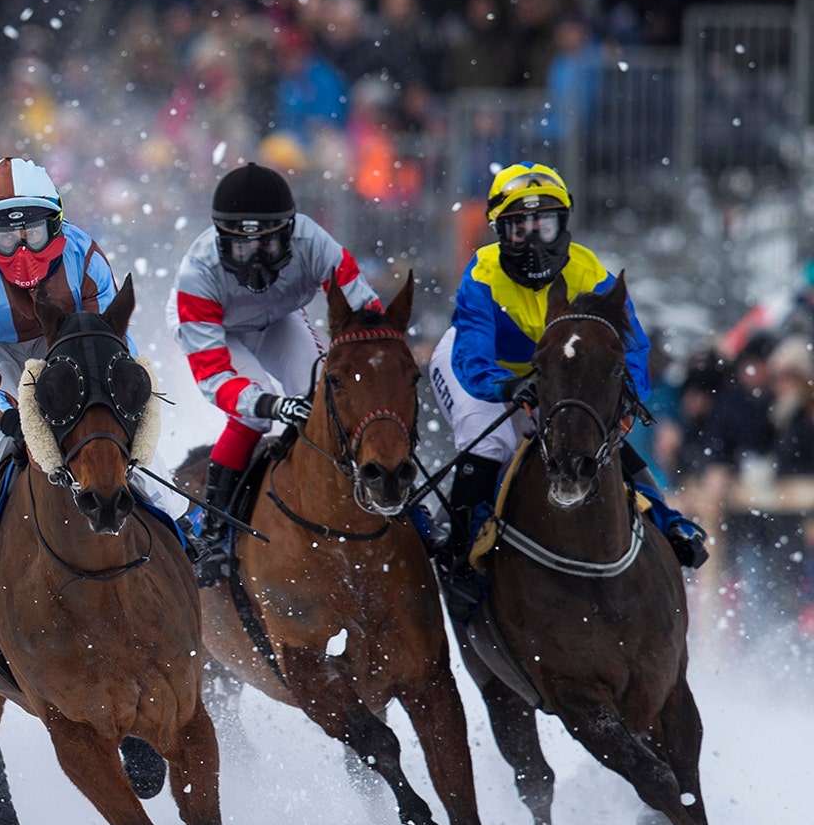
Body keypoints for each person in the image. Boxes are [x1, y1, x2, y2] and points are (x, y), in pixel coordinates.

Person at [431, 162, 708, 602]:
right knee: (491, 443)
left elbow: (630, 348)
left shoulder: (590, 270)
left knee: (590, 433)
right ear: (499, 232)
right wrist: (505, 388)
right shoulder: (482, 274)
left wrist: (625, 402)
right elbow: (471, 355)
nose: (534, 240)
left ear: (564, 224)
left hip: (554, 368)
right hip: (482, 367)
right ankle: (462, 548)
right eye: (519, 229)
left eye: (545, 225)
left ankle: (667, 518)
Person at [0, 156, 172, 615]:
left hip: (71, 346)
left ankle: (183, 526)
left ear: (55, 225)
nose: (22, 250)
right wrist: (9, 418)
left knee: (128, 434)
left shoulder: (86, 256)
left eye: (33, 232)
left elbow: (116, 346)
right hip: (1, 357)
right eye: (6, 235)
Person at [170, 161, 386, 587]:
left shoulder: (315, 242)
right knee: (256, 414)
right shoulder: (197, 274)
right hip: (221, 331)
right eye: (241, 249)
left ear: (290, 233)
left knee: (326, 394)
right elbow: (215, 377)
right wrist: (271, 402)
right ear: (220, 239)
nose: (255, 263)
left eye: (266, 247)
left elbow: (367, 314)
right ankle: (212, 531)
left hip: (280, 320)